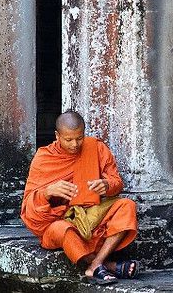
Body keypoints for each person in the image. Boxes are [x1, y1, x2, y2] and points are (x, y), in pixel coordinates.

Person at [21, 111, 139, 285]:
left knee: (127, 205)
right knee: (62, 229)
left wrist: (106, 185)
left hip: (93, 215)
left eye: (79, 138)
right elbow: (28, 209)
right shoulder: (44, 157)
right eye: (68, 140)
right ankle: (108, 265)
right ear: (57, 136)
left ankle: (96, 265)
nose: (75, 144)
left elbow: (116, 182)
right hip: (62, 222)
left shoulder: (95, 147)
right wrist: (47, 192)